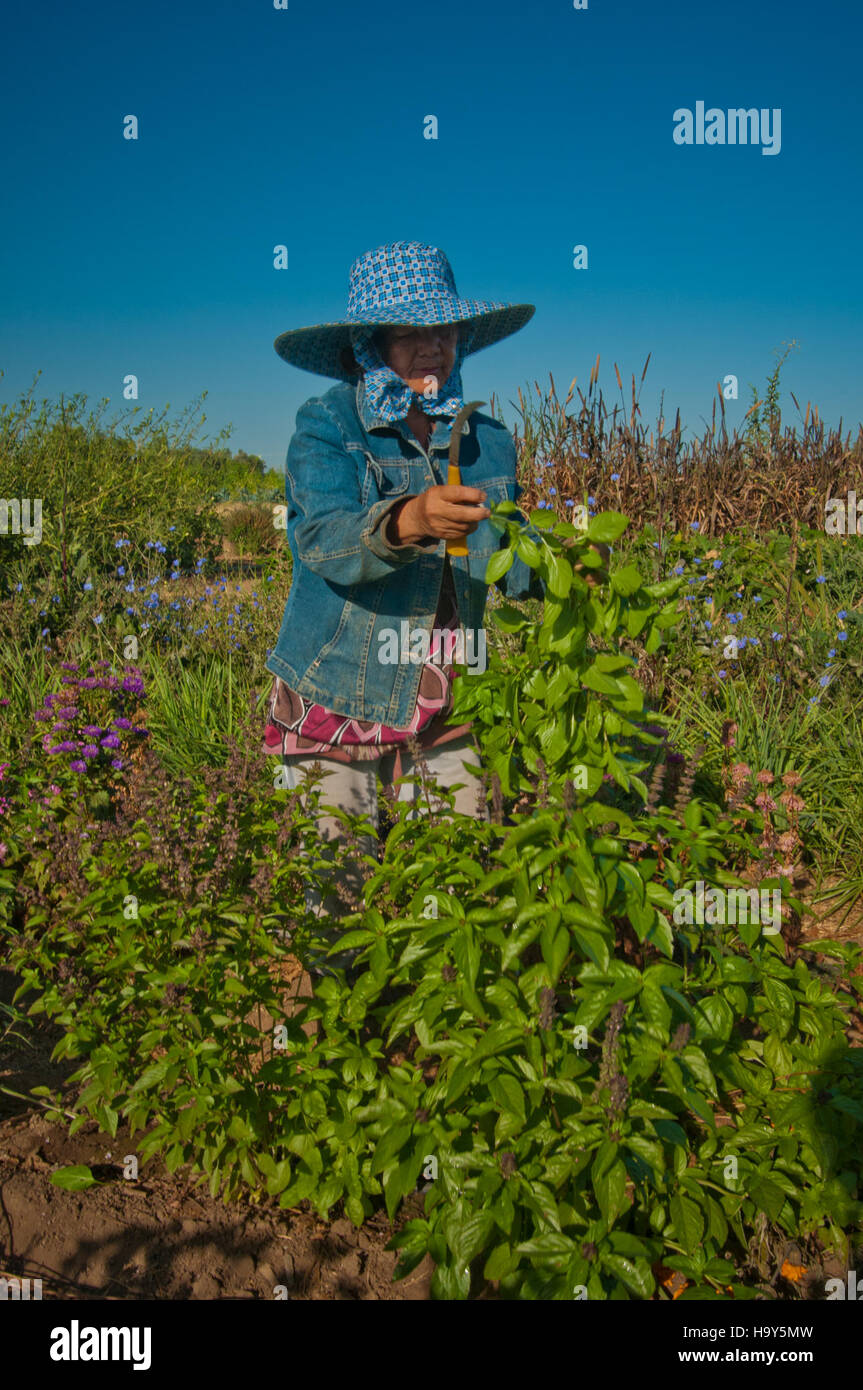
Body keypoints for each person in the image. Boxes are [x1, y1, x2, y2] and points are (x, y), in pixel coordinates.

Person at [262, 240, 540, 957]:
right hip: (339, 684)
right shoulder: (329, 424)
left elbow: (508, 554)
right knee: (339, 895)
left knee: (452, 890)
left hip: (449, 689)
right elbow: (323, 540)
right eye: (411, 331)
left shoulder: (487, 441)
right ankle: (339, 1039)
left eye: (444, 330)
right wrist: (409, 520)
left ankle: (430, 1051)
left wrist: (564, 568)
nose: (432, 348)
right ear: (370, 343)